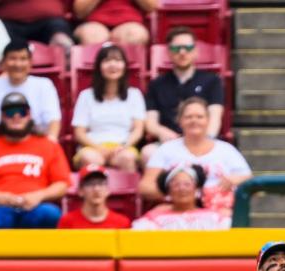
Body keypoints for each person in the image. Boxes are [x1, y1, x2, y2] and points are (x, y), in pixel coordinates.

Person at [0, 92, 70, 227]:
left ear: (29, 115)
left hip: (36, 207)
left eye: (21, 112)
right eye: (10, 113)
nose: (16, 117)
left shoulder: (49, 145)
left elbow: (62, 185)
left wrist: (38, 196)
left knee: (51, 214)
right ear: (2, 117)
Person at [141, 97, 252, 216]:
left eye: (199, 117)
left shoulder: (226, 150)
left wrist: (234, 179)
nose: (194, 121)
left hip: (219, 212)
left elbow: (248, 178)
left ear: (208, 120)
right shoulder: (166, 149)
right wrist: (178, 192)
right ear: (179, 120)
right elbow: (145, 187)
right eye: (188, 117)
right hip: (176, 210)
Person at [142, 25, 225, 165]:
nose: (182, 52)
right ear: (168, 52)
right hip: (170, 142)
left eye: (188, 48)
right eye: (176, 48)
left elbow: (215, 118)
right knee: (147, 153)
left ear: (196, 51)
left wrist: (205, 140)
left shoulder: (212, 81)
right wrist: (162, 132)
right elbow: (151, 122)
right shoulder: (156, 84)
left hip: (203, 140)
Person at [71, 42, 146, 173]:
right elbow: (79, 133)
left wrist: (123, 146)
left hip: (123, 146)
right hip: (92, 146)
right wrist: (99, 148)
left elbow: (138, 130)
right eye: (107, 61)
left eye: (118, 60)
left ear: (124, 66)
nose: (113, 65)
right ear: (99, 66)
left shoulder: (134, 94)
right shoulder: (86, 95)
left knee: (127, 158)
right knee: (91, 159)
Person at [0, 40, 61, 140]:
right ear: (3, 63)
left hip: (37, 141)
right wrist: (13, 143)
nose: (18, 64)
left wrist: (51, 141)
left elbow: (53, 120)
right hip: (2, 142)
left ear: (30, 62)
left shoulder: (44, 85)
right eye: (13, 58)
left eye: (23, 59)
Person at [131, 163, 229, 230]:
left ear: (196, 189)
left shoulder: (215, 217)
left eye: (187, 184)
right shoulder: (153, 219)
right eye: (176, 185)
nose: (182, 189)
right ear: (168, 191)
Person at [0, 0, 73, 51]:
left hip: (50, 22)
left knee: (58, 30)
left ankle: (65, 55)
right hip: (5, 24)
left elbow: (78, 9)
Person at [57, 164, 131, 228]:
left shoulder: (122, 223)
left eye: (101, 183)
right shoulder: (67, 222)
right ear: (80, 190)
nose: (96, 189)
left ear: (108, 189)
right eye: (90, 184)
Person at [73, 0, 156, 46]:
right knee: (92, 37)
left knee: (135, 36)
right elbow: (79, 11)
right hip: (95, 23)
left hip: (130, 23)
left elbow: (152, 6)